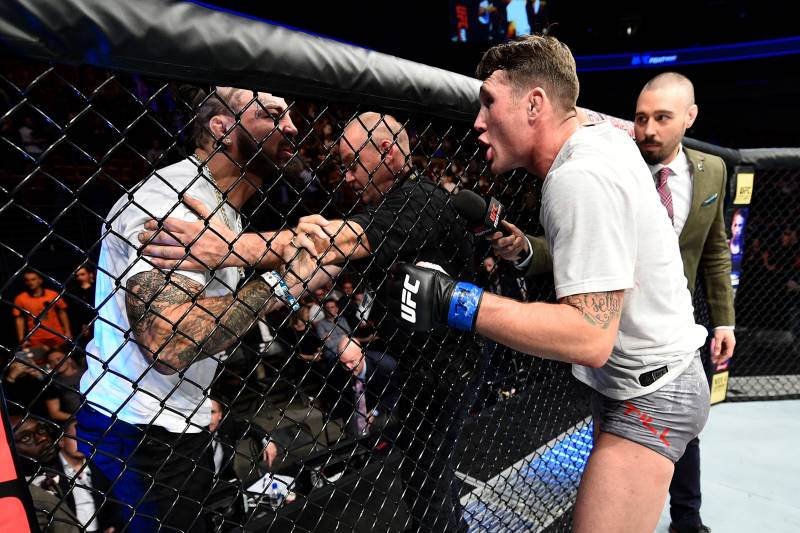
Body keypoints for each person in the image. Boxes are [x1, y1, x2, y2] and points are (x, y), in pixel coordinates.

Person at [386, 35, 710, 533]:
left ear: (535, 103)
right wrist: (525, 251)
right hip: (652, 377)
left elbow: (588, 336)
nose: (477, 122)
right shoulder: (601, 136)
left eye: (489, 102)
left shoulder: (578, 176)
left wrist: (453, 299)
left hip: (651, 392)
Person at [137, 111, 477, 532]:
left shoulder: (420, 199)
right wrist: (283, 283)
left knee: (427, 475)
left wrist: (228, 246)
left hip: (448, 367)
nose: (347, 177)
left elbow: (337, 241)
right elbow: (319, 263)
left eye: (353, 163)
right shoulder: (385, 210)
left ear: (387, 153)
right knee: (421, 471)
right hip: (424, 365)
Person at [76, 86, 318, 532]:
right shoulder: (172, 203)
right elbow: (166, 340)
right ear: (222, 129)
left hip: (165, 419)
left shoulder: (224, 211)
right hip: (137, 427)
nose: (291, 127)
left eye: (290, 114)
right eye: (271, 114)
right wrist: (283, 284)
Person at [634, 72, 736, 533]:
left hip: (680, 318)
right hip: (625, 317)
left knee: (686, 419)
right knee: (620, 421)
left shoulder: (711, 170)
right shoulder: (622, 168)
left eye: (662, 118)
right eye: (641, 118)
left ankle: (687, 519)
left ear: (689, 118)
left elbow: (715, 250)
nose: (649, 130)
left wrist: (724, 322)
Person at [318, 337, 399, 440]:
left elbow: (394, 394)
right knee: (353, 433)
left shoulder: (385, 366)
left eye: (352, 361)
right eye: (343, 363)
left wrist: (375, 411)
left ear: (362, 354)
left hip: (381, 406)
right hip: (352, 407)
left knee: (383, 429)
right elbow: (329, 394)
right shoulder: (332, 368)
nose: (348, 367)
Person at [55, 420, 120, 533]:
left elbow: (115, 502)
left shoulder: (101, 467)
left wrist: (112, 526)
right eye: (76, 438)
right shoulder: (50, 471)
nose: (82, 443)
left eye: (85, 439)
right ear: (61, 441)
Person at [13, 270, 72, 361]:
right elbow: (19, 318)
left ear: (40, 280)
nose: (30, 282)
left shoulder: (52, 294)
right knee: (40, 363)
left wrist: (68, 331)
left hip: (56, 334)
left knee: (62, 360)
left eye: (33, 279)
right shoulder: (20, 298)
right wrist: (21, 338)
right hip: (36, 337)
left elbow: (62, 311)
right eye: (27, 280)